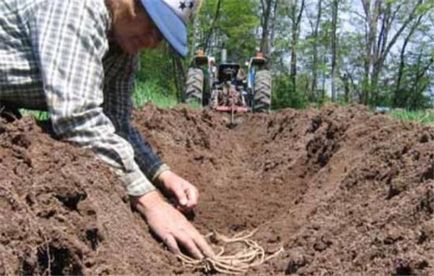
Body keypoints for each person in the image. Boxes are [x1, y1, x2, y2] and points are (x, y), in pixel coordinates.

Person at [0, 0, 214, 260]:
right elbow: (76, 118)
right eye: (153, 25)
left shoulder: (123, 48)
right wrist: (152, 202)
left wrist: (162, 174)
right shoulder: (76, 8)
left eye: (161, 35)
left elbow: (116, 124)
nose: (153, 42)